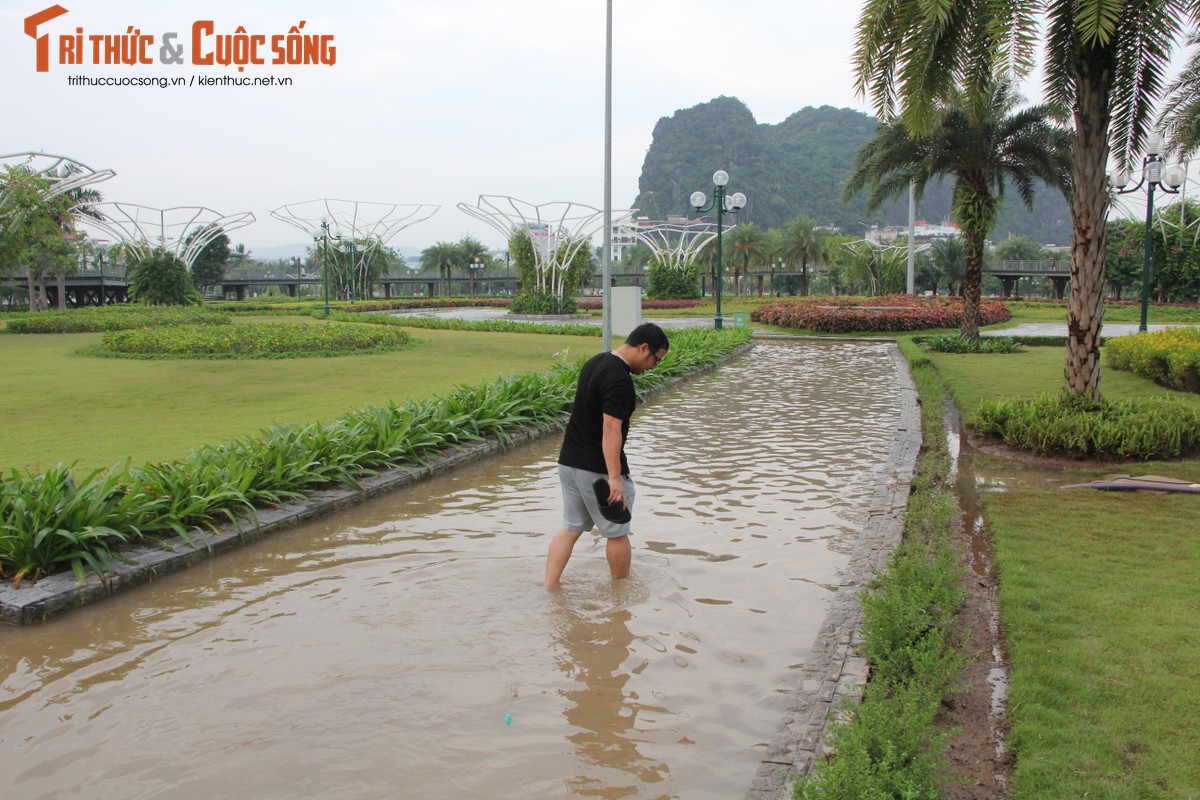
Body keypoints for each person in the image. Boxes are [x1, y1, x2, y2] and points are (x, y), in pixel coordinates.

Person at [544, 322, 670, 588]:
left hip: (569, 462)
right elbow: (611, 429)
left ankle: (550, 586)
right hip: (598, 470)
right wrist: (615, 479)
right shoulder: (620, 380)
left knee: (572, 527)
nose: (652, 367)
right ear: (643, 348)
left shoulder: (596, 362)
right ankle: (620, 596)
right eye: (655, 360)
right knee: (617, 532)